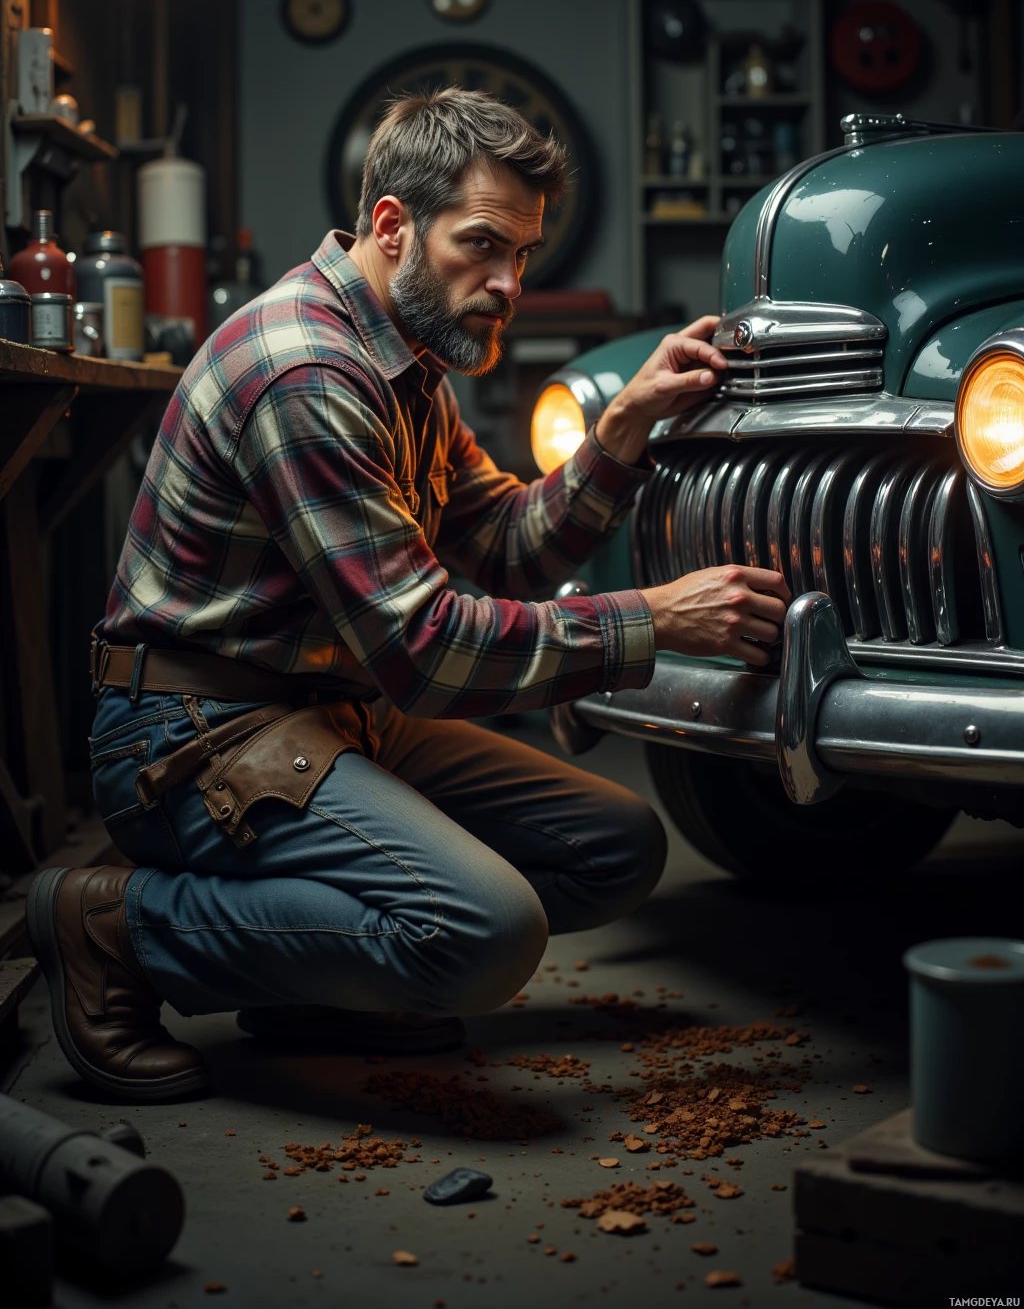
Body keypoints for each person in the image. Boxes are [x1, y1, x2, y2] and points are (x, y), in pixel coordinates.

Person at [27, 88, 790, 1100]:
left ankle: (314, 983)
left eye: (522, 255)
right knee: (487, 930)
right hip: (191, 733)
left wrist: (624, 428)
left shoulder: (410, 366)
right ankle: (114, 927)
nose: (507, 282)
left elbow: (507, 549)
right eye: (481, 244)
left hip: (329, 715)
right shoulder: (307, 371)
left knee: (613, 849)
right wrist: (655, 618)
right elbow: (427, 651)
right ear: (393, 226)